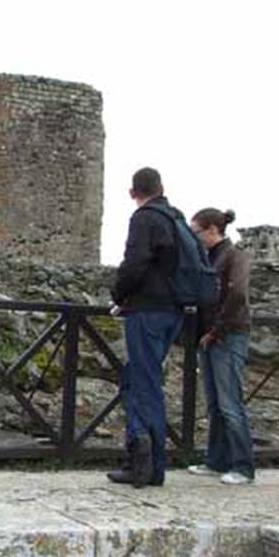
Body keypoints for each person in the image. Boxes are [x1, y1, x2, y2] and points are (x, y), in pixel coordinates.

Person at [107, 167, 185, 488]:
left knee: (143, 384)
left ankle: (144, 463)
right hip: (174, 312)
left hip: (147, 312)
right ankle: (151, 464)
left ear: (132, 193)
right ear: (162, 187)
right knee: (142, 380)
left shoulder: (144, 219)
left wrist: (118, 296)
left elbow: (135, 264)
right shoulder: (177, 218)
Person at [187, 208, 255, 484]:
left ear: (213, 230)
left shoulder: (235, 255)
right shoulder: (209, 257)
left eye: (197, 232)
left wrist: (216, 331)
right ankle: (217, 461)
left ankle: (243, 466)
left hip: (227, 335)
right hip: (210, 335)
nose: (194, 237)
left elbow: (237, 294)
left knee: (230, 403)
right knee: (215, 403)